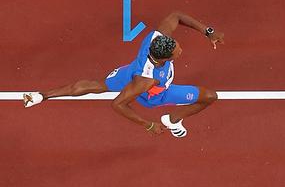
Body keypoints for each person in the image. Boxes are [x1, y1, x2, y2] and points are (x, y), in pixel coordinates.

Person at [22, 10, 224, 139]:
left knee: (95, 85)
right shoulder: (147, 80)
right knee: (209, 97)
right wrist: (149, 125)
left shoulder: (157, 39)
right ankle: (172, 119)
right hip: (155, 95)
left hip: (128, 73)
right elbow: (118, 104)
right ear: (165, 58)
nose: (180, 49)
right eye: (177, 50)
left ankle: (41, 95)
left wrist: (208, 31)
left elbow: (177, 16)